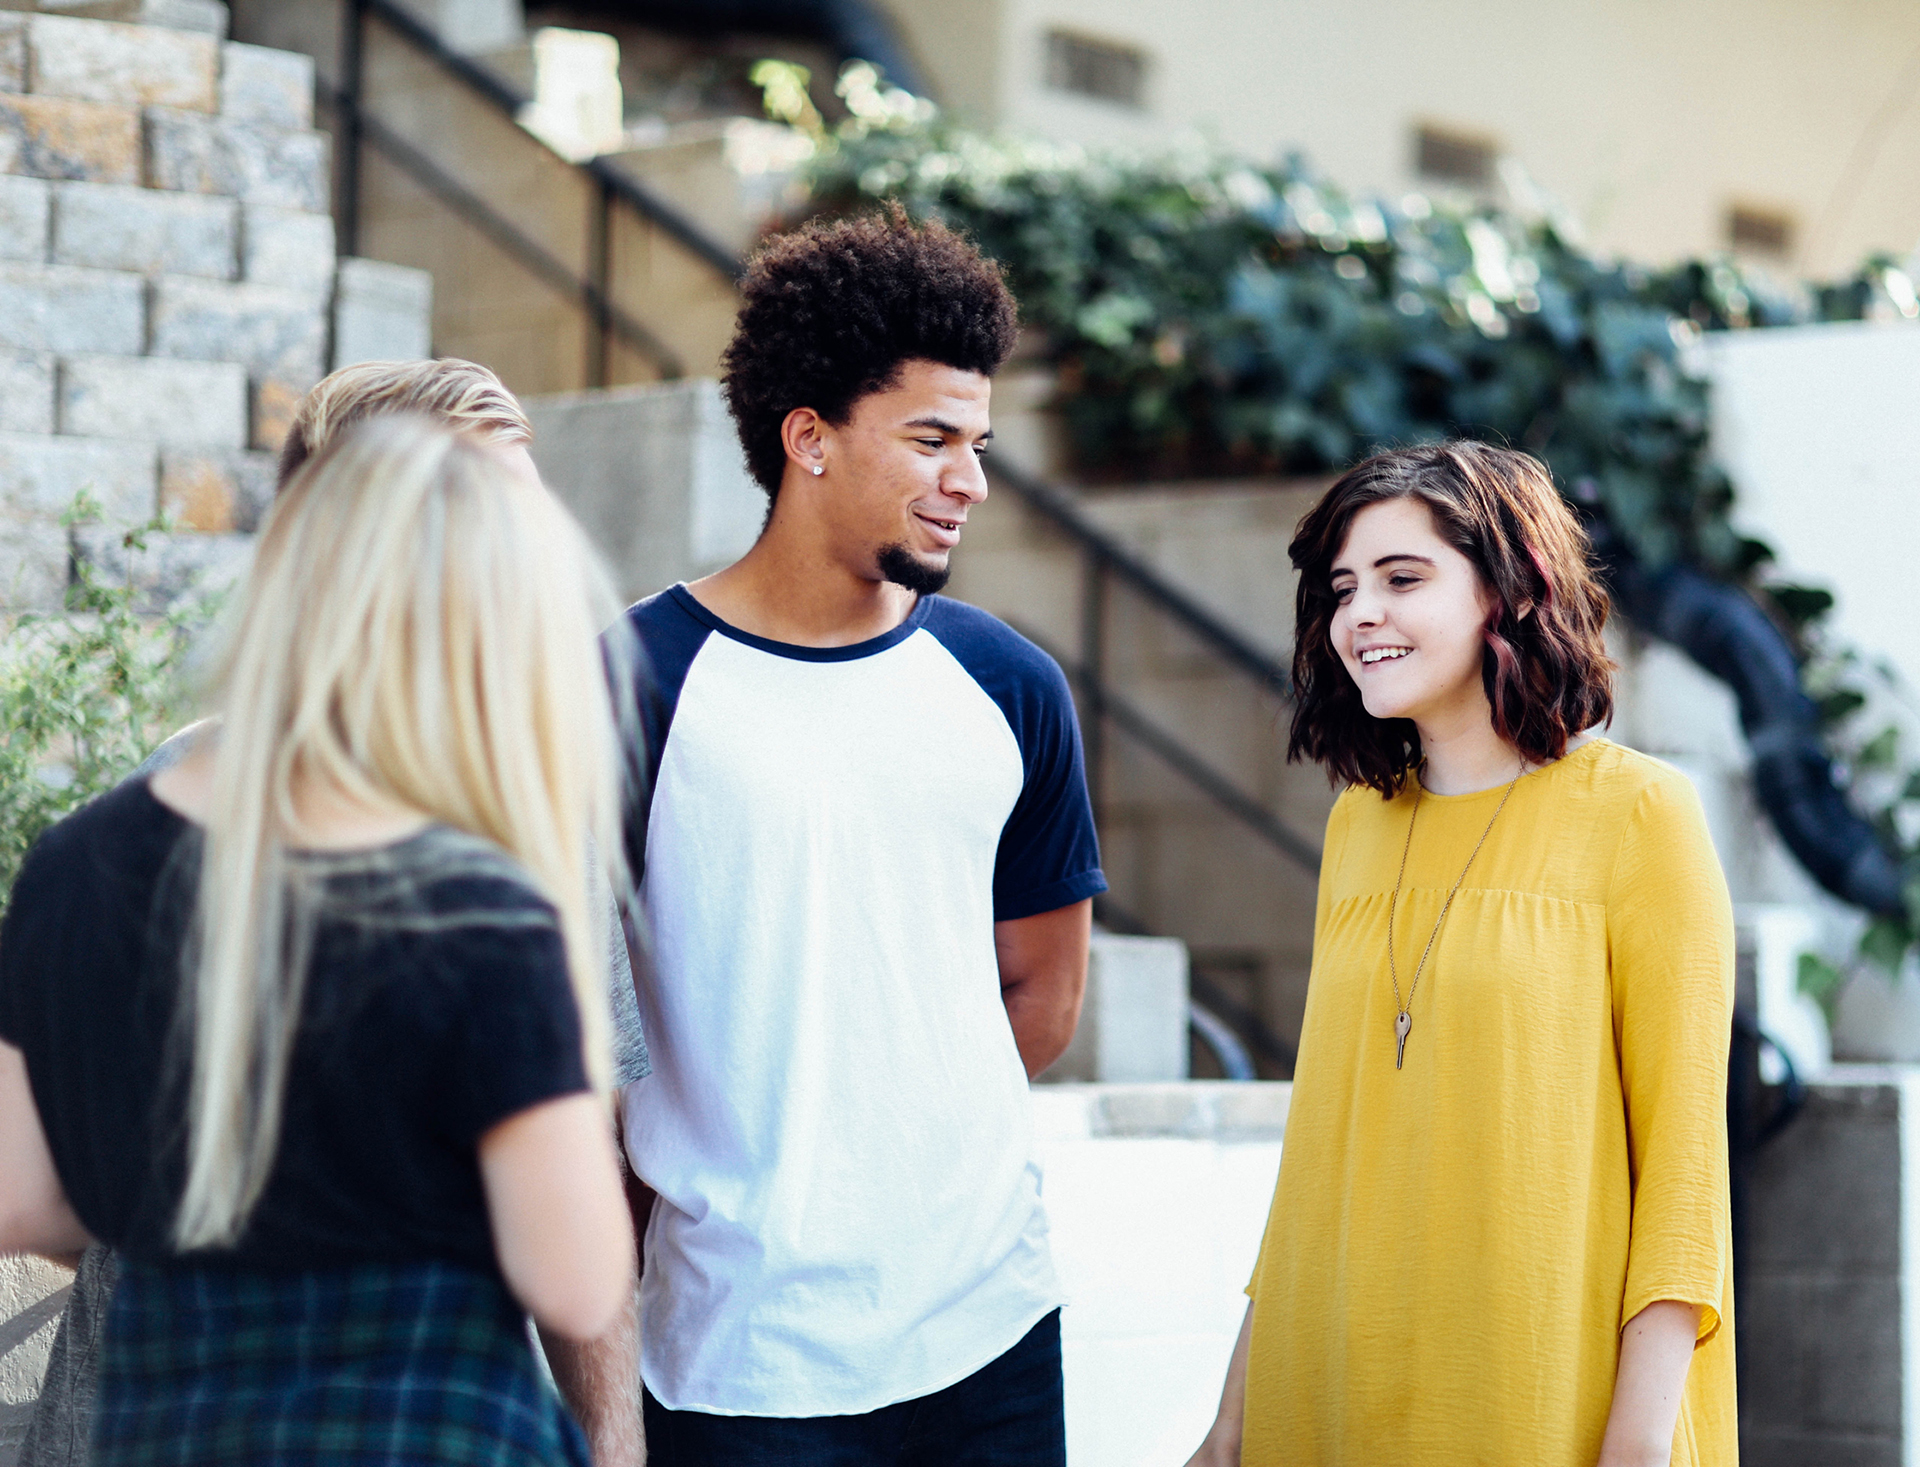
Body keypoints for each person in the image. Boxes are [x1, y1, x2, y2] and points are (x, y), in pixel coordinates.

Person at [16, 359, 651, 1467]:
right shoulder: (507, 866)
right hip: (418, 1428)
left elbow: (28, 1201)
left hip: (156, 1425)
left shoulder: (98, 848)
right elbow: (579, 1264)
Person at [618, 208, 1106, 1464]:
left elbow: (1043, 997)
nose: (971, 481)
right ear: (810, 439)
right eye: (932, 438)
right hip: (737, 1351)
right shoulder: (631, 682)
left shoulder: (1008, 687)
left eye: (979, 444)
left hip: (987, 1324)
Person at [1184, 442, 1736, 1466]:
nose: (1360, 615)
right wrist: (1231, 1422)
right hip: (1330, 1385)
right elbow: (1319, 1151)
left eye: (1403, 578)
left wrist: (1641, 1442)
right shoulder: (1357, 826)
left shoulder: (1641, 817)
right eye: (1343, 588)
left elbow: (1684, 1175)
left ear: (1512, 594)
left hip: (1535, 1394)